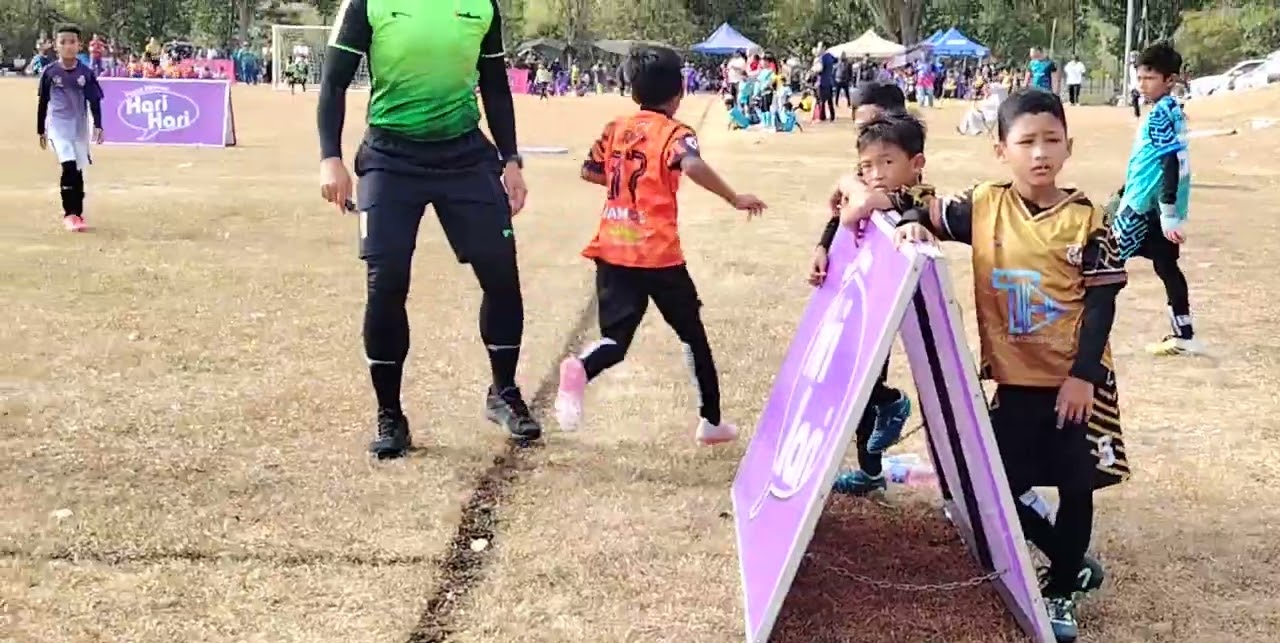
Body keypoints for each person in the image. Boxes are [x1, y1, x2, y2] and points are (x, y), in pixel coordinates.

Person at [888, 89, 1127, 643]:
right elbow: (913, 201)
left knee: (1076, 488)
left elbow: (1101, 306)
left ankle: (1061, 588)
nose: (1040, 152)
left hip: (1074, 384)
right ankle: (1069, 559)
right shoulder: (983, 206)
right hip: (1015, 381)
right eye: (1026, 142)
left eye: (1052, 140)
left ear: (1069, 146)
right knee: (996, 484)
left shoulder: (1089, 221)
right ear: (1001, 150)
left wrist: (1082, 376)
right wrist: (912, 222)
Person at [317, 0, 539, 458]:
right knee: (386, 282)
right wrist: (330, 158)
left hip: (465, 155)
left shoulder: (482, 5)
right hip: (389, 156)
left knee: (501, 273)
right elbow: (335, 80)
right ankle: (390, 415)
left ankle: (503, 392)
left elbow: (495, 85)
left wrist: (511, 160)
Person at [554, 46, 766, 444]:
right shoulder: (676, 133)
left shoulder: (615, 128)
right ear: (679, 90)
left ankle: (581, 367)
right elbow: (692, 164)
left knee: (615, 340)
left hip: (613, 246)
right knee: (692, 335)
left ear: (633, 89)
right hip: (657, 253)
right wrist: (734, 197)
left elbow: (589, 170)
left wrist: (624, 186)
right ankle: (710, 421)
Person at [810, 112, 926, 495]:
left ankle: (892, 405)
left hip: (896, 303)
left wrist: (848, 185)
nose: (875, 173)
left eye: (886, 162)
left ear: (915, 162)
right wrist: (823, 245)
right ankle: (870, 469)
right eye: (866, 166)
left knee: (861, 380)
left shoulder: (915, 196)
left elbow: (854, 210)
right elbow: (843, 217)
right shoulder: (880, 186)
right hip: (868, 296)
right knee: (853, 377)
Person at [1110, 43, 1199, 356]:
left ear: (1169, 80)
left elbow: (1169, 162)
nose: (1142, 84)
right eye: (1140, 77)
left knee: (1105, 265)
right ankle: (1184, 334)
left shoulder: (1161, 115)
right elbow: (1149, 161)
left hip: (1144, 208)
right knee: (1166, 266)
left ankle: (1079, 333)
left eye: (1149, 78)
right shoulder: (1171, 111)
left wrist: (1168, 210)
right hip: (1149, 202)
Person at [36, 25, 104, 232]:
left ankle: (78, 214)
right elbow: (43, 102)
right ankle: (70, 214)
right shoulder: (50, 72)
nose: (68, 46)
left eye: (72, 42)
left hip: (79, 128)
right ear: (55, 46)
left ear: (79, 45)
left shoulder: (86, 73)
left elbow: (94, 101)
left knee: (78, 169)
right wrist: (41, 129)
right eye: (63, 42)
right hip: (58, 127)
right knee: (69, 165)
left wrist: (98, 125)